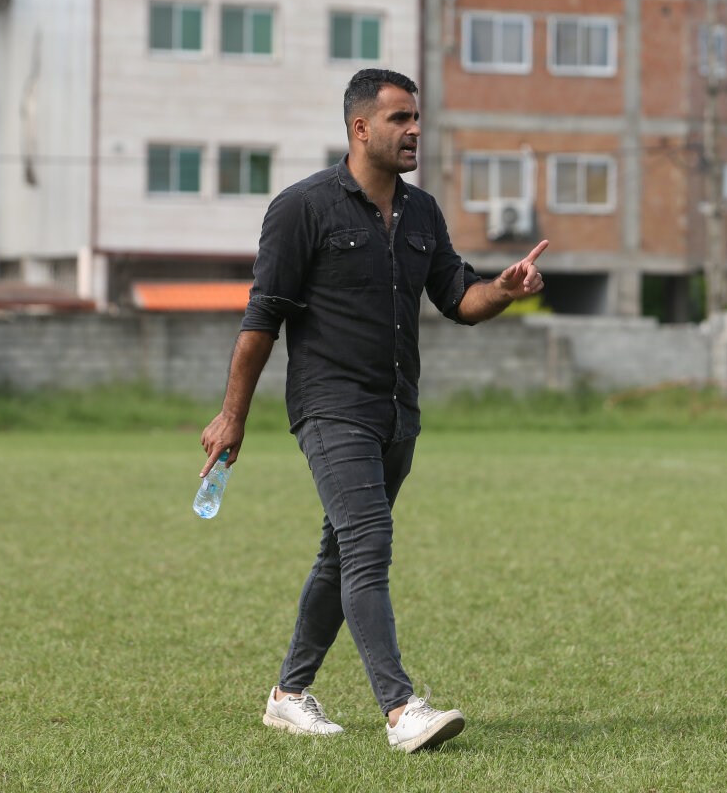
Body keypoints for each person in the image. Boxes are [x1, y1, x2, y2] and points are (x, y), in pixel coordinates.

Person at [199, 68, 547, 753]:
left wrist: (504, 289)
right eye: (399, 119)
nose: (414, 129)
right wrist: (232, 414)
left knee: (341, 551)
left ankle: (288, 696)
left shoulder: (423, 213)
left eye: (417, 117)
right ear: (360, 128)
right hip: (330, 408)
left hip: (396, 414)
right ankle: (401, 709)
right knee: (368, 542)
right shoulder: (302, 208)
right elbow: (262, 319)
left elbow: (459, 299)